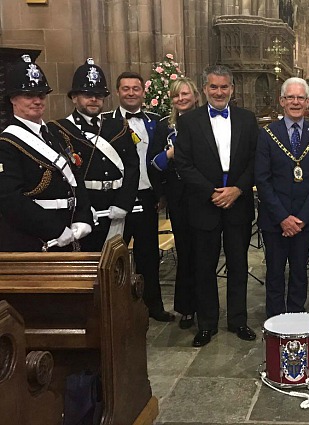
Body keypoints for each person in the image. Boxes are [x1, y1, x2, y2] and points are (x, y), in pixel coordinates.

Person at [174, 65, 258, 347]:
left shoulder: (248, 120)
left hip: (238, 202)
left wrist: (237, 189)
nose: (219, 92)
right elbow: (184, 165)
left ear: (232, 89)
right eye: (213, 87)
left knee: (238, 264)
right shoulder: (189, 122)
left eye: (224, 87)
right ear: (205, 89)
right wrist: (212, 192)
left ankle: (238, 320)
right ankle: (207, 324)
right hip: (203, 203)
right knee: (204, 267)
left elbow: (254, 162)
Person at [0, 54, 93, 252]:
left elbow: (76, 176)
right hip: (36, 239)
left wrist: (83, 217)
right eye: (29, 95)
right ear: (13, 99)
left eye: (41, 95)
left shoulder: (55, 134)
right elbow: (10, 200)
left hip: (70, 231)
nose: (37, 101)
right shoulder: (6, 144)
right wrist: (55, 229)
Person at [48, 58, 139, 252]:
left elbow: (132, 166)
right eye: (87, 94)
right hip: (86, 207)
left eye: (98, 95)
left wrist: (124, 202)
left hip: (117, 206)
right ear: (74, 97)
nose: (94, 99)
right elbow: (64, 176)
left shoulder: (118, 126)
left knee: (116, 265)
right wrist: (82, 209)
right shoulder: (59, 129)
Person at [255, 77, 309, 318]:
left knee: (299, 272)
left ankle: (297, 318)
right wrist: (283, 218)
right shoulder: (267, 134)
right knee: (275, 272)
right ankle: (275, 321)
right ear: (282, 101)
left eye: (300, 98)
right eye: (290, 97)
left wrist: (301, 218)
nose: (295, 102)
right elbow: (262, 179)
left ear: (308, 102)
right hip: (275, 220)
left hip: (303, 221)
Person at [106, 71, 174, 322]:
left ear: (143, 92)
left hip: (147, 198)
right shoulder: (105, 122)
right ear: (117, 92)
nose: (131, 93)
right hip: (116, 201)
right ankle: (115, 310)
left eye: (136, 88)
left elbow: (160, 161)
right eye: (126, 89)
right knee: (114, 258)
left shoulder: (157, 122)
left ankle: (153, 307)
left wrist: (161, 193)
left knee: (148, 257)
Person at [147, 77, 201, 329]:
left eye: (185, 94)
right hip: (179, 197)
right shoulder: (164, 127)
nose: (181, 99)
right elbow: (154, 164)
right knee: (186, 253)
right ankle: (187, 307)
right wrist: (170, 152)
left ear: (195, 95)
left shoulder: (205, 120)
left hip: (203, 195)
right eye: (176, 95)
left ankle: (207, 305)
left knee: (205, 253)